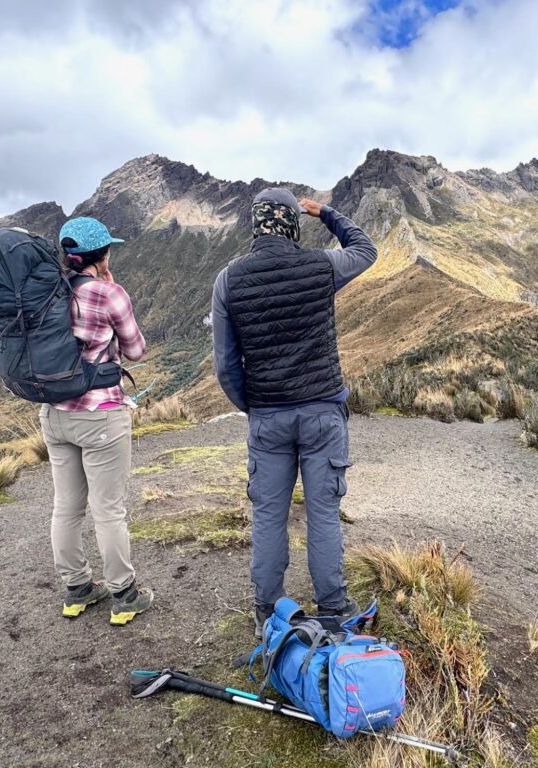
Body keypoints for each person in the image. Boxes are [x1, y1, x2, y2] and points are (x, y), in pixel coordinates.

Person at [211, 188, 378, 636]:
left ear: (255, 224)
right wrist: (325, 212)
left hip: (268, 417)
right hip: (323, 412)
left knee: (269, 515)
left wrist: (253, 404)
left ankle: (267, 611)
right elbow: (365, 250)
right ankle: (334, 610)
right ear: (290, 223)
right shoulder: (321, 266)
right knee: (323, 513)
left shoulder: (228, 279)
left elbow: (225, 364)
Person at [39, 216, 154, 625]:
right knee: (108, 510)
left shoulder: (45, 292)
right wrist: (111, 288)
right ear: (102, 254)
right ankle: (124, 595)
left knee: (66, 507)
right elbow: (136, 350)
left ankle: (77, 590)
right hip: (101, 415)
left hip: (54, 415)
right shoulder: (109, 293)